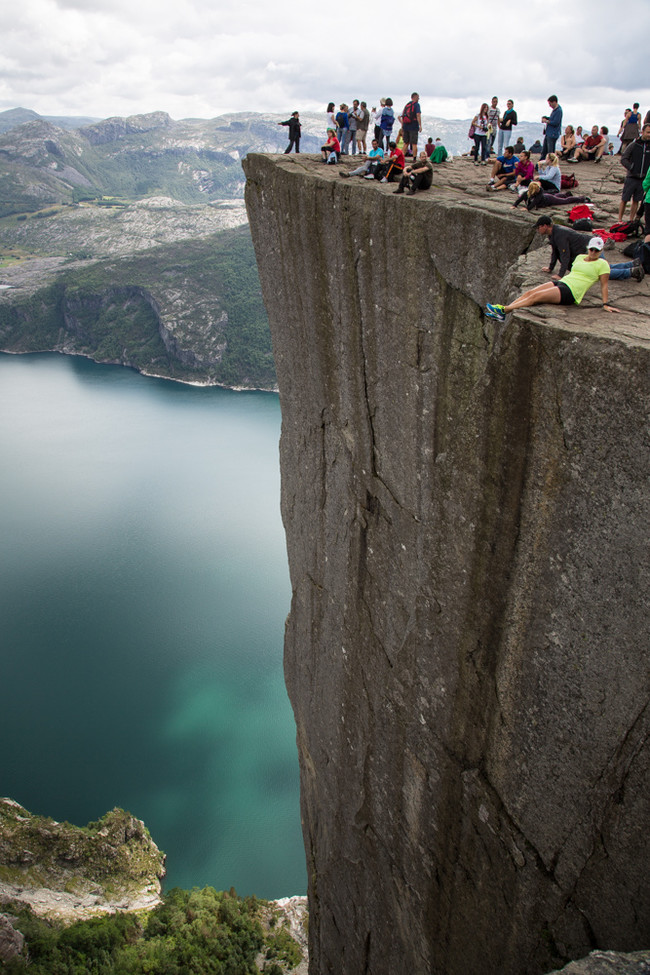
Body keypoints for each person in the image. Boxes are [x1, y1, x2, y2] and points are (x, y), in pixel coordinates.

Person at [485, 236, 620, 321]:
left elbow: (604, 285)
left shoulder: (602, 264)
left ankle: (504, 310)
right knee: (530, 293)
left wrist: (605, 304)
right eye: (592, 249)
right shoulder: (579, 257)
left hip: (572, 292)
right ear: (588, 248)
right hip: (563, 282)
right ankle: (504, 311)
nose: (594, 252)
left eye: (597, 250)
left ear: (601, 251)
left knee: (536, 297)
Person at [619, 123, 650, 221]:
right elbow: (624, 158)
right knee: (624, 199)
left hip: (643, 178)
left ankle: (631, 220)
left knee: (636, 200)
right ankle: (619, 219)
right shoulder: (634, 144)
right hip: (632, 177)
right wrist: (631, 167)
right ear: (642, 132)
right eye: (648, 132)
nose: (649, 134)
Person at [512, 181, 591, 211]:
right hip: (547, 196)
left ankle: (582, 199)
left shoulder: (540, 193)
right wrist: (514, 205)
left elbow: (534, 202)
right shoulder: (527, 193)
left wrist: (527, 208)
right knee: (557, 195)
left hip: (549, 200)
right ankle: (565, 194)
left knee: (564, 201)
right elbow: (520, 199)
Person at [400, 92, 422, 158]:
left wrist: (402, 126)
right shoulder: (416, 105)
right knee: (414, 143)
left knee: (406, 143)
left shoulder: (407, 105)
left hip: (406, 126)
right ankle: (414, 158)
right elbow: (418, 115)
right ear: (415, 97)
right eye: (418, 98)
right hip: (413, 126)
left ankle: (402, 157)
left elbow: (403, 116)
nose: (418, 99)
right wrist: (420, 125)